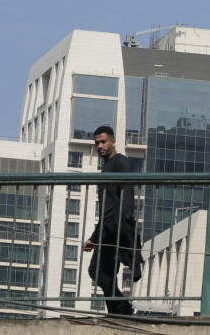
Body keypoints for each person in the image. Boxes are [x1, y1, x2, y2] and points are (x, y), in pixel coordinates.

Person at [84, 125, 142, 315]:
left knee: (99, 271)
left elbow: (125, 202)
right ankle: (119, 309)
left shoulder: (120, 162)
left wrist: (118, 229)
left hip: (116, 230)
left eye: (103, 141)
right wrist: (96, 236)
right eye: (97, 143)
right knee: (99, 272)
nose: (99, 146)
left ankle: (120, 309)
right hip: (108, 228)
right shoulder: (106, 167)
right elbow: (107, 208)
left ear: (113, 141)